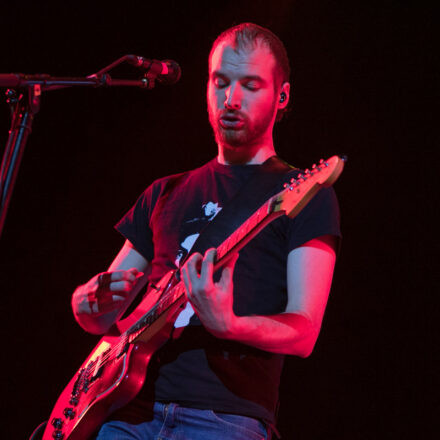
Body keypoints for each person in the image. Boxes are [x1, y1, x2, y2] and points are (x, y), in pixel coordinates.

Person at [72, 22, 341, 440]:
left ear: (281, 96)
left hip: (223, 418)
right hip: (126, 413)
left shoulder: (304, 195)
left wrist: (229, 324)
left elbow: (304, 331)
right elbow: (105, 315)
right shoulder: (164, 192)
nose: (231, 100)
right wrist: (86, 302)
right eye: (220, 83)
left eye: (250, 85)